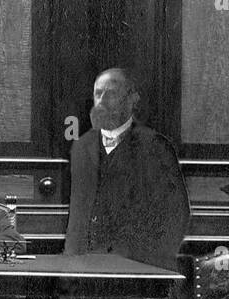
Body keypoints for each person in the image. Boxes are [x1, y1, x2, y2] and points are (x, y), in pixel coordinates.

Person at [65, 67, 189, 270]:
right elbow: (77, 217)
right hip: (86, 267)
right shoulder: (82, 146)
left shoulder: (156, 146)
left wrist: (148, 264)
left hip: (137, 267)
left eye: (111, 94)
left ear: (132, 99)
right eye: (98, 93)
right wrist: (71, 264)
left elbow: (177, 213)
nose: (102, 101)